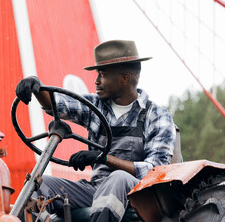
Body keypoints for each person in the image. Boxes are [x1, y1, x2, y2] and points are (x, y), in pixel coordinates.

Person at [15, 40, 176, 222]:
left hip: (138, 194)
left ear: (125, 78)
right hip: (97, 188)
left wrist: (104, 158)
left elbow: (156, 171)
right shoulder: (96, 107)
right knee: (40, 184)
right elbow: (60, 104)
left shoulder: (156, 115)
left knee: (118, 178)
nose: (96, 81)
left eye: (102, 74)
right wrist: (37, 89)